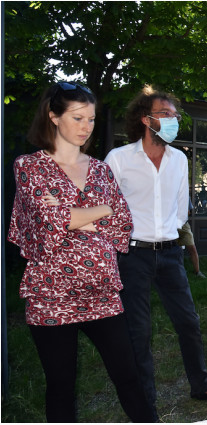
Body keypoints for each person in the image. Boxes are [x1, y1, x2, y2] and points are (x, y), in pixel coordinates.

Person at [8, 82, 156, 422]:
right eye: (78, 118)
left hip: (102, 292)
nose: (86, 127)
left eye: (91, 119)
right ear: (53, 116)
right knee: (61, 385)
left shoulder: (101, 169)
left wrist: (75, 216)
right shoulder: (30, 167)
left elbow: (122, 224)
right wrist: (100, 210)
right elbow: (49, 223)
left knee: (129, 378)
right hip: (51, 293)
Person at [105, 86, 207, 412]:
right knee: (139, 331)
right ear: (146, 119)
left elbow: (179, 210)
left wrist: (171, 237)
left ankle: (201, 386)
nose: (174, 120)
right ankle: (145, 402)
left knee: (188, 321)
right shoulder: (118, 160)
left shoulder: (180, 159)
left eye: (175, 115)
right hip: (132, 255)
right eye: (166, 114)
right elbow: (104, 208)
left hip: (171, 253)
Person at [177, 199, 206, 278]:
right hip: (170, 225)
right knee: (173, 250)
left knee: (192, 248)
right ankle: (177, 271)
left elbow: (188, 212)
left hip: (184, 225)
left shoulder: (184, 194)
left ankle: (197, 272)